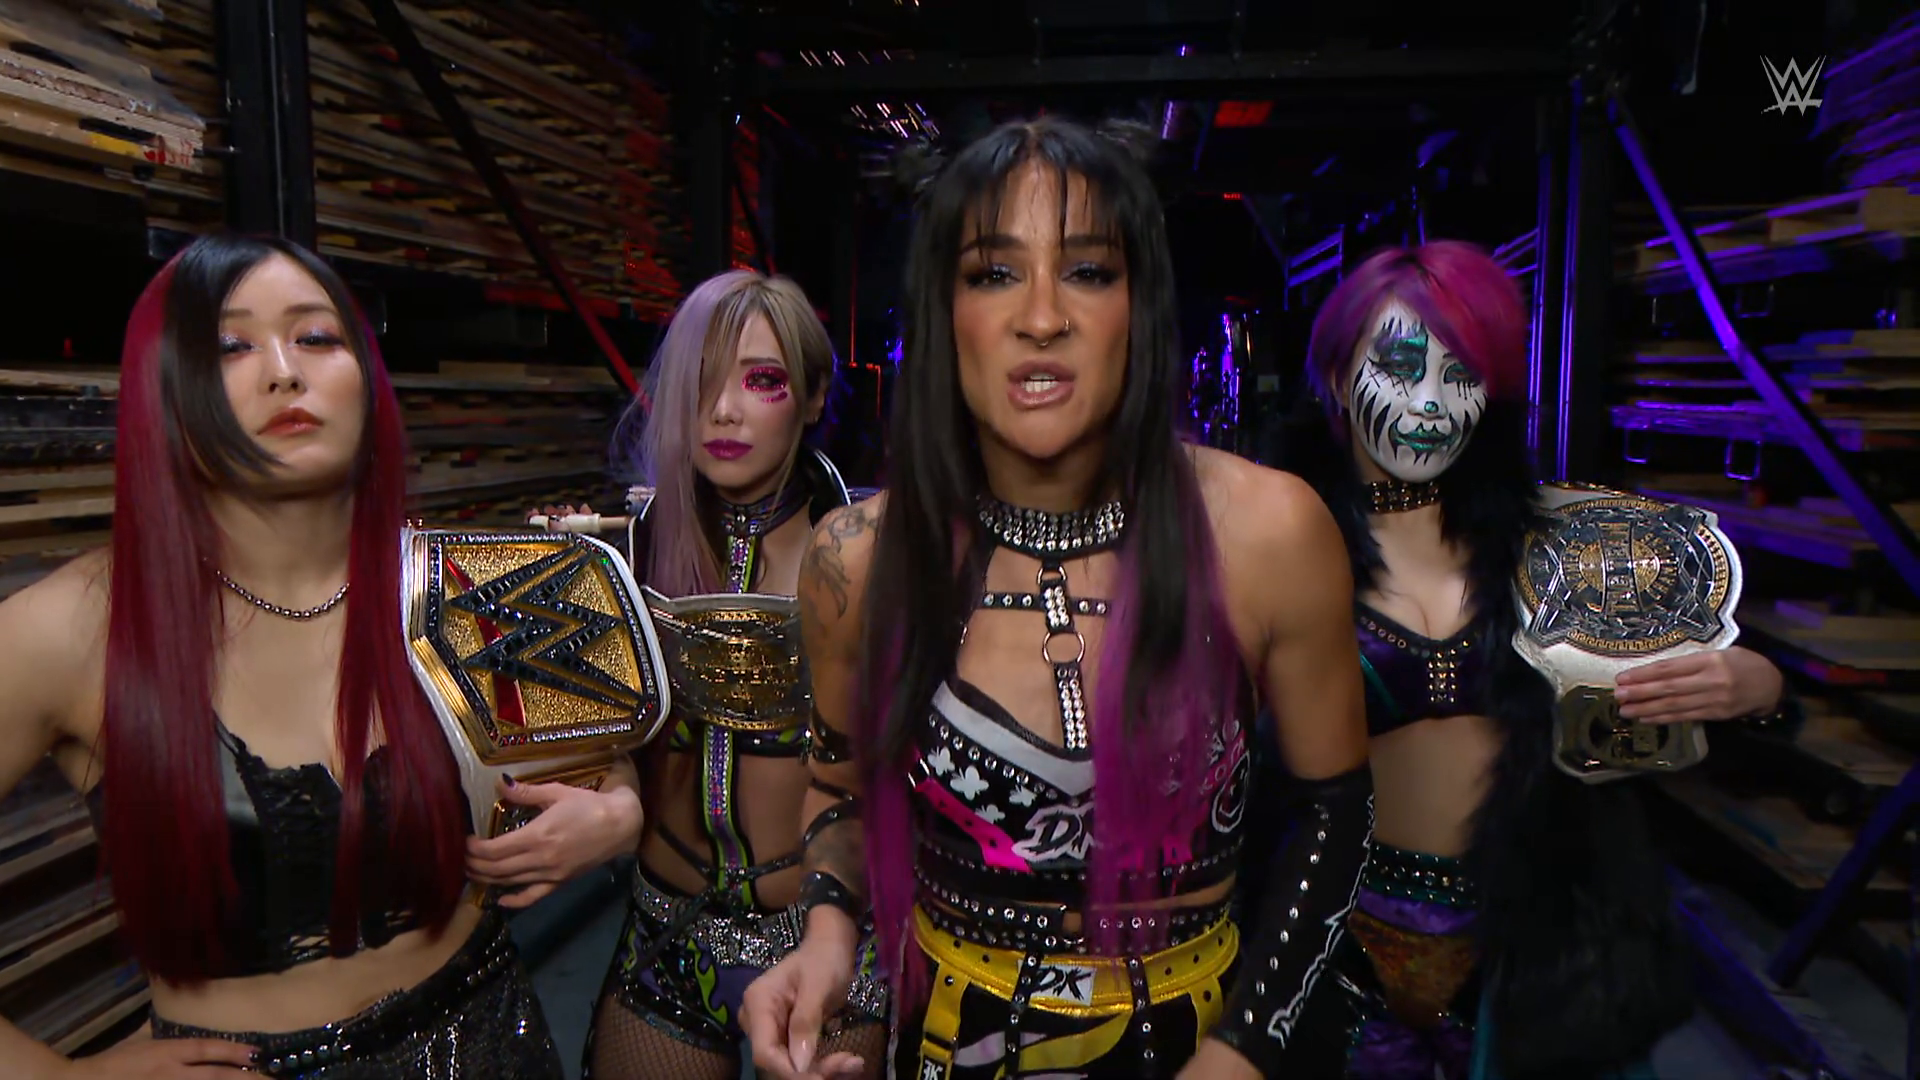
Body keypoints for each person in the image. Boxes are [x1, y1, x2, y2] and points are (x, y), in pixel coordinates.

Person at [740, 116, 1374, 1080]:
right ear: (944, 310)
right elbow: (837, 790)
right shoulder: (857, 562)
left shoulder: (1269, 534)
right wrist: (828, 939)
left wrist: (1245, 1048)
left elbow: (1337, 815)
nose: (1042, 317)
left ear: (1141, 305)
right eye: (994, 273)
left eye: (1087, 270)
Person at [0, 233, 563, 1078]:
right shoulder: (73, 628)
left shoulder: (456, 588)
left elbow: (592, 756)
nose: (282, 371)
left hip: (490, 1034)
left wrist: (617, 813)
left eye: (316, 336)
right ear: (165, 388)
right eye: (230, 346)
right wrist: (57, 1077)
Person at [1255, 239, 1790, 1078]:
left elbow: (1684, 703)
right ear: (1335, 376)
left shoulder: (1565, 545)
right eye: (1400, 367)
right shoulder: (1272, 544)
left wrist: (1757, 686)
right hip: (1328, 942)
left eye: (1461, 375)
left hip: (1531, 951)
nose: (1430, 404)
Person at [473, 270, 889, 1079]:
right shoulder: (627, 551)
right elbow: (602, 740)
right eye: (700, 383)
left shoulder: (871, 556)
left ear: (812, 398)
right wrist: (614, 795)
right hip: (665, 936)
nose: (722, 410)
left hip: (828, 945)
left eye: (761, 381)